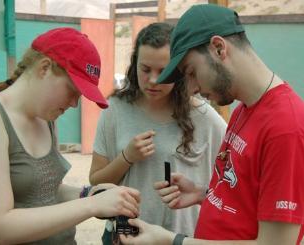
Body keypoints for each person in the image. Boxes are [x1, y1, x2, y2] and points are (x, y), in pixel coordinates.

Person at [119, 4, 304, 245]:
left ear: (218, 48)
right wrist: (200, 194)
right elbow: (243, 202)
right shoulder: (242, 111)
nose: (192, 88)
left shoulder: (287, 130)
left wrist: (173, 241)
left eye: (192, 72)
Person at [0, 27, 140, 245]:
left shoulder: (46, 118)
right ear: (44, 68)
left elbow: (45, 191)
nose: (73, 104)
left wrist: (89, 194)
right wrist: (91, 206)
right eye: (72, 91)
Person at [89, 22, 226, 243]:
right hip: (125, 237)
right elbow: (96, 184)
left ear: (179, 70)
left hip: (180, 239)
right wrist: (127, 157)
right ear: (134, 65)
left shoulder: (206, 118)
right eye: (145, 69)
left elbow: (230, 187)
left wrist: (201, 194)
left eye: (164, 71)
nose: (153, 80)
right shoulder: (115, 108)